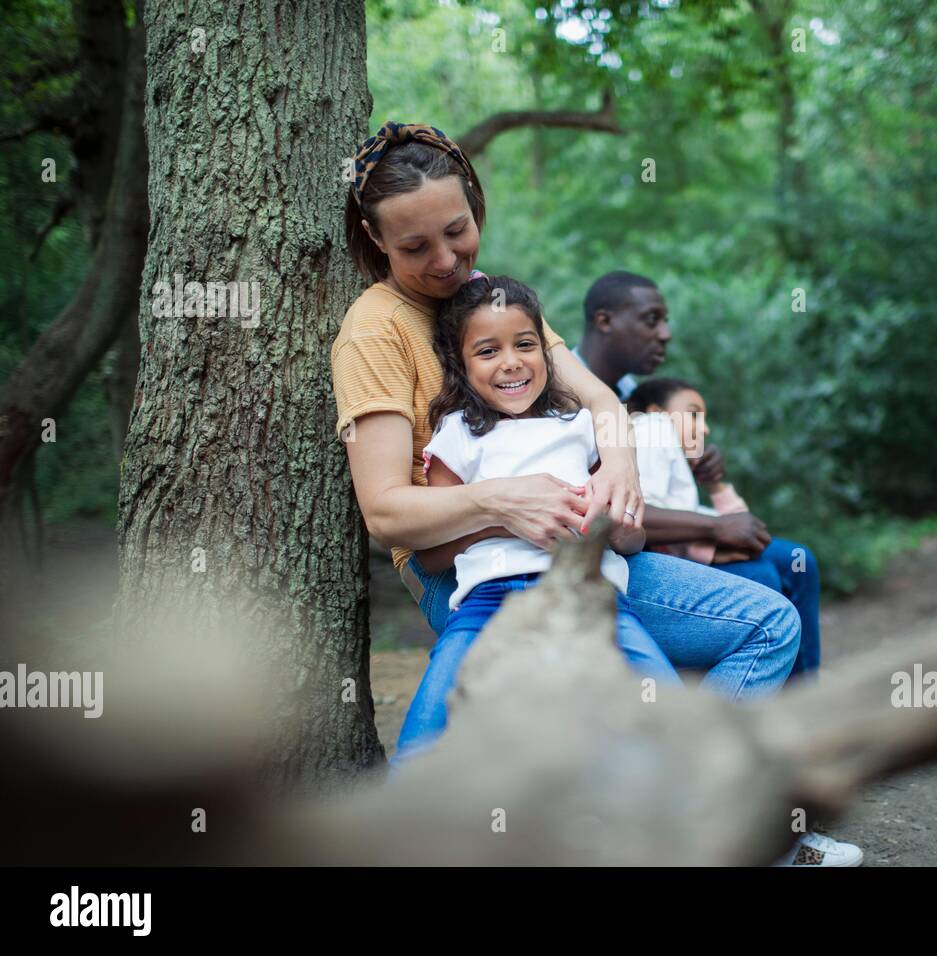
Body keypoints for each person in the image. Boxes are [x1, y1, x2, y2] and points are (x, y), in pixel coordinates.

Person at [330, 122, 852, 865]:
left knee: (769, 622)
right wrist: (506, 502)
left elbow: (605, 405)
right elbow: (385, 511)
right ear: (376, 240)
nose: (447, 261)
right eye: (415, 248)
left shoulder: (491, 300)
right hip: (469, 571)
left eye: (459, 230)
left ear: (476, 205)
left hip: (580, 544)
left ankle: (703, 810)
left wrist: (618, 477)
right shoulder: (373, 334)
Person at [394, 274, 684, 751]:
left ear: (545, 353)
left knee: (666, 710)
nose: (511, 363)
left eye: (525, 344)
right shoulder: (455, 437)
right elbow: (431, 556)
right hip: (487, 604)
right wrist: (501, 519)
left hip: (591, 595)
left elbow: (633, 537)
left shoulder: (581, 426)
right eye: (487, 352)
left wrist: (607, 522)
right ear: (461, 364)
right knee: (425, 733)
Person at [576, 276, 822, 680]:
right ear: (605, 321)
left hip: (664, 538)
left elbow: (660, 474)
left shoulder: (633, 393)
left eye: (665, 321)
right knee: (762, 577)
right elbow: (611, 504)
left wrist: (700, 463)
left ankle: (802, 699)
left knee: (799, 563)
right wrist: (715, 528)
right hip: (617, 554)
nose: (665, 334)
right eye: (652, 320)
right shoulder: (569, 393)